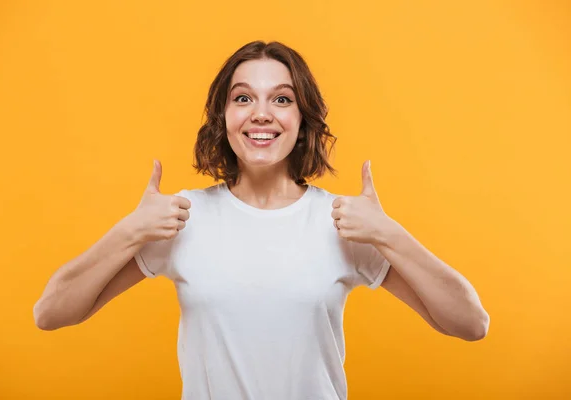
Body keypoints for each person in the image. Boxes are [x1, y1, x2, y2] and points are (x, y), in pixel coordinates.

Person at [34, 41, 490, 399]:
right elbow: (51, 313)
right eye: (243, 97)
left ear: (302, 118)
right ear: (224, 116)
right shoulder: (183, 219)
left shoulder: (343, 223)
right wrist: (130, 229)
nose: (261, 113)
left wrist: (390, 235)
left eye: (282, 99)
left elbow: (470, 323)